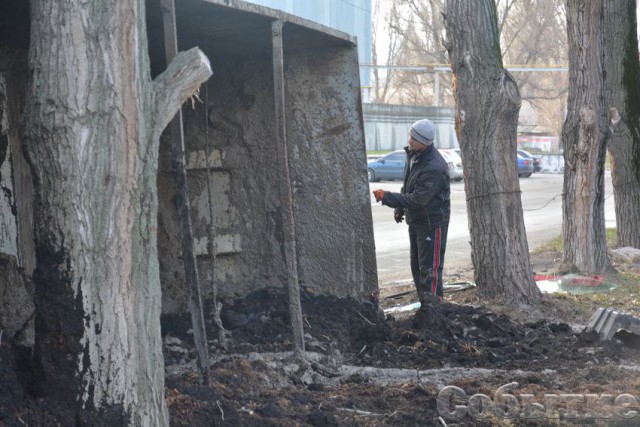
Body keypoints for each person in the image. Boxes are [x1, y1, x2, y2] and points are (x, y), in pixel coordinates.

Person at [372, 119, 451, 306]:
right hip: (416, 222)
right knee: (417, 268)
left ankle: (434, 311)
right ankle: (426, 307)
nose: (409, 140)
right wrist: (400, 208)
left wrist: (386, 197)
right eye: (410, 136)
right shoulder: (414, 155)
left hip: (431, 224)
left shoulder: (434, 167)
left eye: (414, 139)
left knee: (429, 271)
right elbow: (408, 186)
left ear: (425, 142)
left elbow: (418, 199)